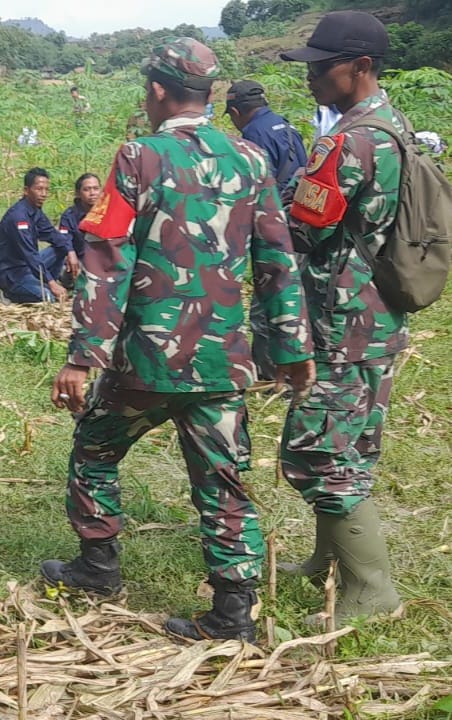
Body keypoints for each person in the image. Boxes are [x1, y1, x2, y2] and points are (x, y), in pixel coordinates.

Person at [39, 38, 314, 644]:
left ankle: (98, 565)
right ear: (212, 93)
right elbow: (277, 259)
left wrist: (83, 356)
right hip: (221, 362)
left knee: (94, 451)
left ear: (158, 91)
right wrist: (293, 349)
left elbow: (107, 258)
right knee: (223, 479)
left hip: (146, 361)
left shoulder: (140, 156)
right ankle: (234, 612)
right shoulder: (250, 159)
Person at [277, 11, 408, 625]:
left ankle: (371, 590)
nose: (311, 77)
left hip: (341, 322)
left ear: (359, 67)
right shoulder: (395, 127)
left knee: (315, 452)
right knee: (350, 445)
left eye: (320, 66)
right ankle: (331, 561)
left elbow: (304, 227)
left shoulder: (347, 141)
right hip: (378, 317)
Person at [225, 80, 310, 382]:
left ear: (235, 111)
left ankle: (268, 374)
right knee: (295, 295)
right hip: (301, 223)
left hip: (276, 226)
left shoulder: (252, 136)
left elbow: (256, 187)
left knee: (265, 306)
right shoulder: (287, 127)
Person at [0, 168, 70, 304]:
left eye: (46, 189)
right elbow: (30, 254)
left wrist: (71, 252)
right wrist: (51, 284)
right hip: (13, 275)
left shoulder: (35, 211)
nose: (44, 194)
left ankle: (49, 282)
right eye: (39, 189)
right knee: (47, 297)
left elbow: (53, 235)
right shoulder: (18, 218)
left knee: (60, 247)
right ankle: (8, 295)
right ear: (26, 190)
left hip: (27, 268)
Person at [225, 80, 308, 193]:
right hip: (300, 199)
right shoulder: (286, 125)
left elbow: (258, 183)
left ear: (234, 112)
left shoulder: (253, 133)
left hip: (279, 204)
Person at [56, 172, 101, 288]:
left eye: (96, 189)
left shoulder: (107, 213)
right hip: (78, 262)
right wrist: (70, 253)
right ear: (78, 193)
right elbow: (64, 238)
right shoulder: (69, 215)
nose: (92, 193)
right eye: (87, 189)